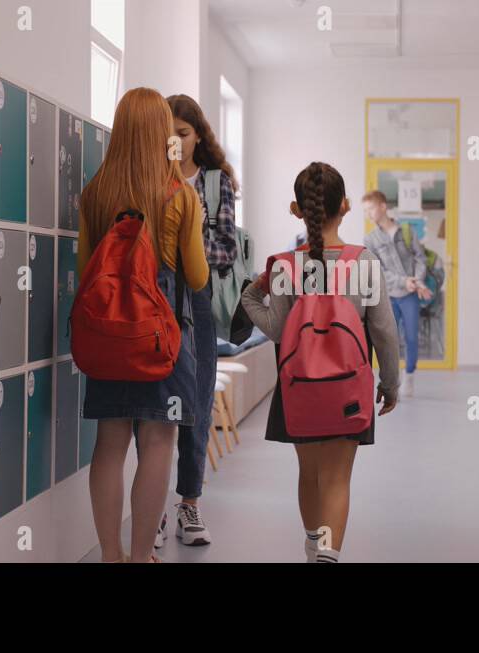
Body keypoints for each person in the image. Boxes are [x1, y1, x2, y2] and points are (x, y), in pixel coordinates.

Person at [241, 162, 400, 563]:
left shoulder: (285, 265)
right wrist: (391, 384)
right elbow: (383, 331)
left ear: (297, 210)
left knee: (310, 474)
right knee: (336, 479)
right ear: (345, 206)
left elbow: (276, 331)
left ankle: (313, 546)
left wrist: (249, 298)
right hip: (348, 388)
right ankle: (327, 557)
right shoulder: (364, 262)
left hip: (299, 388)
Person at [78, 88, 209, 563]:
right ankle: (139, 557)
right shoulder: (180, 196)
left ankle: (110, 555)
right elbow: (196, 277)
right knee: (158, 440)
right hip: (162, 341)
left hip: (109, 339)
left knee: (109, 443)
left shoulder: (95, 194)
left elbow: (84, 272)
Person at [149, 94, 238, 548]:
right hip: (157, 295)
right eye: (170, 134)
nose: (177, 143)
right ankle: (154, 511)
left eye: (184, 134)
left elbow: (228, 249)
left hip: (199, 299)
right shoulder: (151, 176)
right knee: (158, 403)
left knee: (197, 401)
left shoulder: (217, 183)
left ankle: (189, 505)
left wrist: (192, 235)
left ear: (198, 135)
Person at [362, 190, 431, 396]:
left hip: (410, 295)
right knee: (389, 340)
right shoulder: (370, 240)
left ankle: (410, 375)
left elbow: (420, 258)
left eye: (371, 208)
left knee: (410, 338)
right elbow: (378, 270)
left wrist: (416, 281)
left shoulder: (407, 231)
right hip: (389, 296)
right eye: (365, 211)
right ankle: (394, 381)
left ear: (383, 206)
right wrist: (403, 281)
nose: (368, 214)